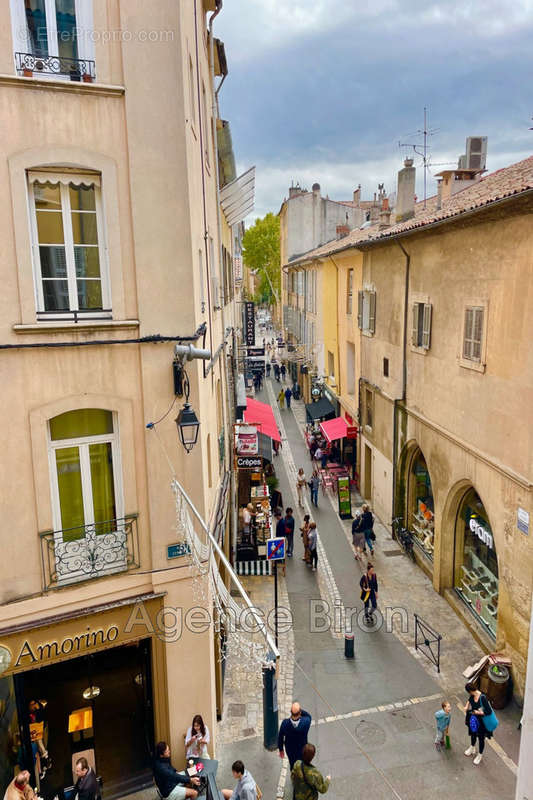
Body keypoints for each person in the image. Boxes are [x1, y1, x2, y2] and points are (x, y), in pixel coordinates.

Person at [463, 682, 494, 765]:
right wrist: (466, 706)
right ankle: (472, 747)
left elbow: (489, 711)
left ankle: (480, 755)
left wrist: (479, 712)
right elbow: (469, 700)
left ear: (471, 691)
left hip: (482, 722)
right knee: (473, 734)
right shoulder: (472, 695)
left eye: (469, 692)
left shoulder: (483, 698)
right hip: (474, 719)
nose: (470, 694)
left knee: (481, 739)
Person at [278, 703, 312, 769]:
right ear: (300, 713)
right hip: (302, 749)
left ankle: (294, 774)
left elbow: (280, 737)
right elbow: (309, 716)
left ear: (291, 712)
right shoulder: (306, 722)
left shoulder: (285, 723)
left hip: (290, 749)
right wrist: (299, 710)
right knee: (303, 764)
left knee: (292, 764)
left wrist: (281, 749)